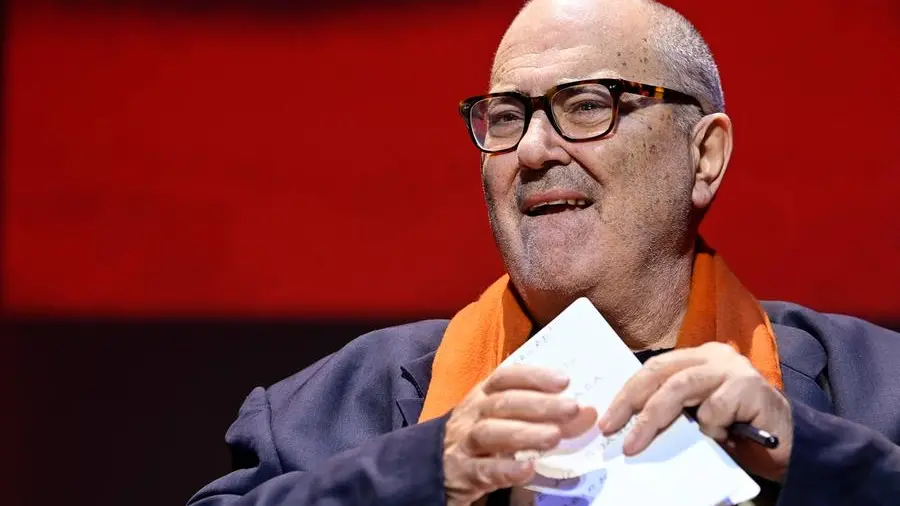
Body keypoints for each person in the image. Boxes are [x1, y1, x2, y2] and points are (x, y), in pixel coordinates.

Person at [188, 0, 900, 504]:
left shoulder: (875, 393)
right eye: (505, 117)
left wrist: (815, 461)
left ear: (704, 154)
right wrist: (421, 475)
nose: (530, 150)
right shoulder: (335, 412)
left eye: (587, 105)